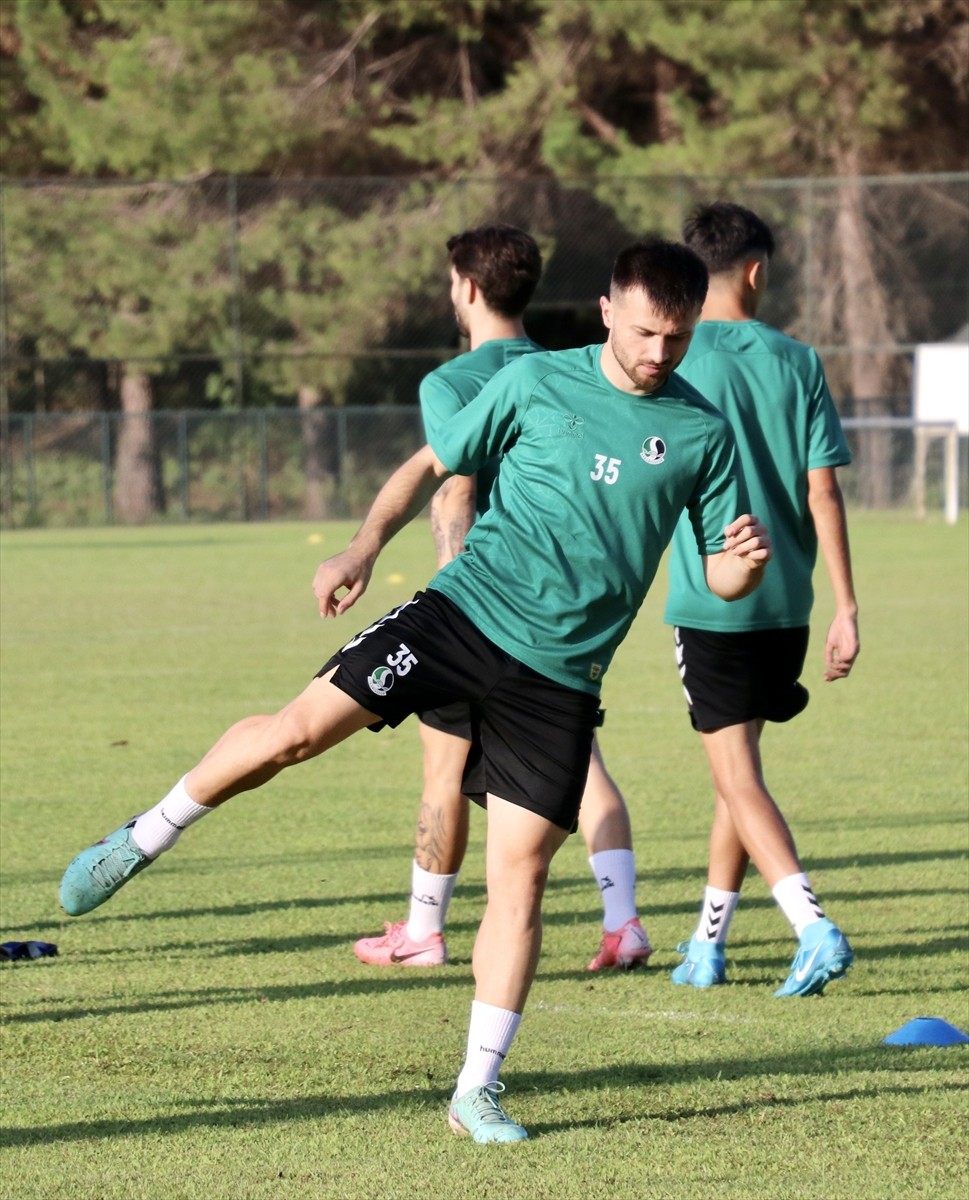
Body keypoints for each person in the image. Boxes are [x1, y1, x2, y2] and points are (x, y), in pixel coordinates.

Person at [59, 238, 771, 1144]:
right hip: (459, 616)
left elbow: (720, 571)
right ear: (605, 312)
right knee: (295, 733)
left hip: (560, 679)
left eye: (676, 338)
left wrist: (742, 567)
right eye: (643, 333)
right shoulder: (535, 381)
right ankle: (144, 836)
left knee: (520, 879)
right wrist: (362, 547)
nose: (658, 353)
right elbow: (430, 465)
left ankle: (476, 1090)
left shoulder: (703, 432)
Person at [353, 223, 650, 976]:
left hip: (483, 604)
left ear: (468, 287)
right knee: (585, 768)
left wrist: (456, 605)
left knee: (442, 767)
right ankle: (622, 921)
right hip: (566, 612)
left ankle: (424, 930)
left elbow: (455, 488)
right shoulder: (566, 368)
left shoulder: (451, 381)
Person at [666, 202, 859, 997]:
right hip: (787, 605)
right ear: (756, 271)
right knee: (735, 776)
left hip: (712, 602)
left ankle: (811, 926)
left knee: (736, 776)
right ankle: (705, 944)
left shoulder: (672, 359)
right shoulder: (797, 359)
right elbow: (823, 492)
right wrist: (846, 606)